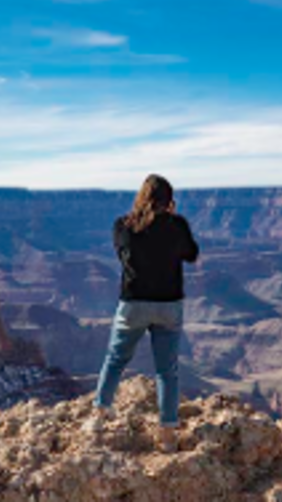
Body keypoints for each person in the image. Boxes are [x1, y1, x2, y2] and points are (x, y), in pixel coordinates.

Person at [89, 174, 199, 450]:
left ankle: (99, 417)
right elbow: (192, 254)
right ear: (169, 200)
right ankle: (167, 433)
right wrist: (172, 223)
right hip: (168, 306)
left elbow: (123, 255)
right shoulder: (177, 225)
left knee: (115, 360)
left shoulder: (123, 226)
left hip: (134, 304)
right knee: (167, 371)